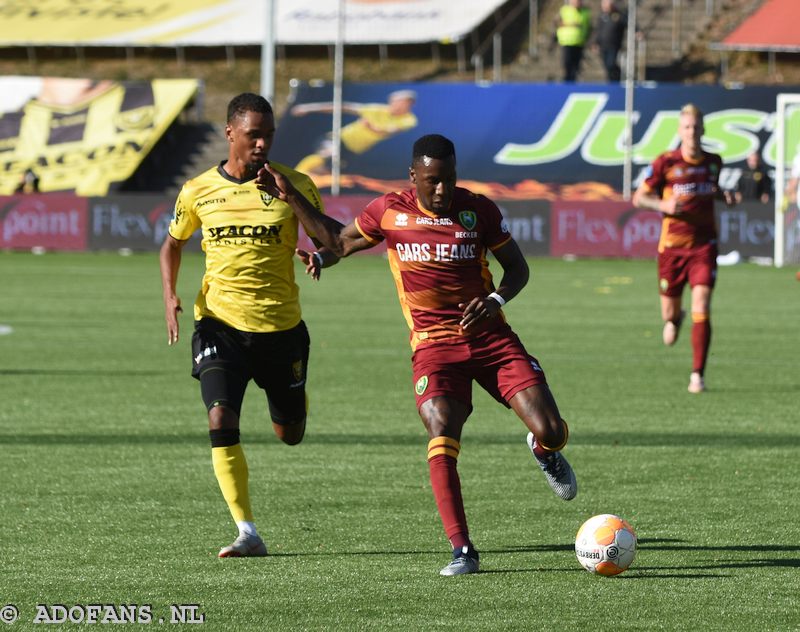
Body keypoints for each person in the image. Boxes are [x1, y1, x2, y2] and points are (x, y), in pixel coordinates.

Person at [255, 133, 577, 576]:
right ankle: (462, 549)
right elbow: (339, 240)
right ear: (413, 177)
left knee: (553, 430)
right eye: (432, 181)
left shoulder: (478, 209)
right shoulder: (389, 210)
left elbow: (518, 270)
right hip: (434, 348)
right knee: (441, 427)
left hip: (491, 341)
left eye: (448, 179)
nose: (442, 190)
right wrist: (292, 198)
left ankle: (545, 451)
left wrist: (496, 301)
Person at [159, 93, 337, 558]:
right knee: (220, 416)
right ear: (230, 133)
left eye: (269, 134)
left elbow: (330, 237)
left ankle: (293, 399)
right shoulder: (199, 189)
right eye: (253, 134)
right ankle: (247, 531)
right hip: (218, 324)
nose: (262, 142)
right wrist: (170, 294)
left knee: (290, 432)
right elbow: (172, 244)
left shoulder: (294, 183)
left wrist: (298, 211)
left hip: (281, 328)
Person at [633, 103, 732, 394]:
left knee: (703, 304)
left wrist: (726, 197)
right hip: (672, 250)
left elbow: (714, 193)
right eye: (687, 127)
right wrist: (662, 204)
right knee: (669, 317)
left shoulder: (713, 162)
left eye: (696, 127)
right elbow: (639, 198)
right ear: (680, 130)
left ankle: (697, 375)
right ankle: (675, 317)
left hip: (703, 246)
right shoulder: (666, 162)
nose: (692, 132)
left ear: (703, 130)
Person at [293, 90, 417, 175]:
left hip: (352, 150)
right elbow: (343, 107)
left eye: (407, 103)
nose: (401, 106)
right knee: (327, 154)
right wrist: (308, 108)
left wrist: (371, 127)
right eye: (399, 101)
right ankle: (295, 176)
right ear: (391, 101)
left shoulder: (409, 119)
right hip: (338, 138)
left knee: (330, 172)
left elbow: (388, 131)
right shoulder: (376, 109)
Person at [554, 0, 592, 82]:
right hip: (567, 42)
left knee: (576, 67)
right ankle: (567, 82)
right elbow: (556, 22)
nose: (577, 3)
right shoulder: (564, 10)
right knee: (567, 64)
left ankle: (573, 82)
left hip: (579, 42)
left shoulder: (585, 12)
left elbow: (588, 27)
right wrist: (570, 24)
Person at [592, 0, 627, 82]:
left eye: (607, 5)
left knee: (610, 64)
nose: (605, 7)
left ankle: (618, 77)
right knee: (607, 66)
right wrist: (595, 43)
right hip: (603, 46)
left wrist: (637, 31)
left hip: (614, 45)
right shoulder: (602, 17)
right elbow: (599, 31)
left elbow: (628, 23)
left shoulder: (618, 16)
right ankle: (611, 81)